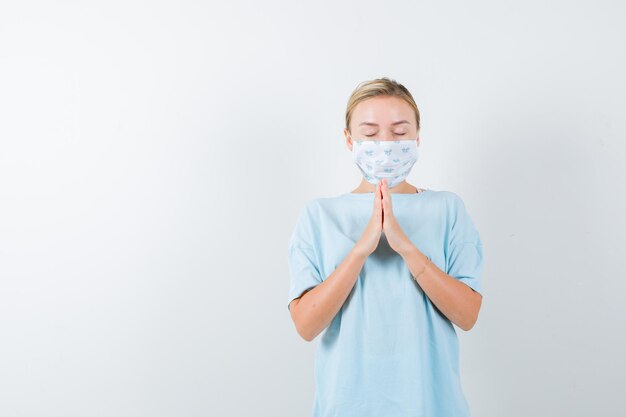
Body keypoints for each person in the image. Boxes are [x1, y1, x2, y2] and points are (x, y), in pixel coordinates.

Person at [287, 77, 484, 417]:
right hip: (347, 405)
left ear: (417, 137)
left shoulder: (448, 209)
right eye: (370, 132)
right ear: (349, 139)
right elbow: (306, 325)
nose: (386, 143)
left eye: (399, 131)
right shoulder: (319, 216)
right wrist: (362, 248)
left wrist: (405, 247)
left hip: (431, 405)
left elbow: (467, 315)